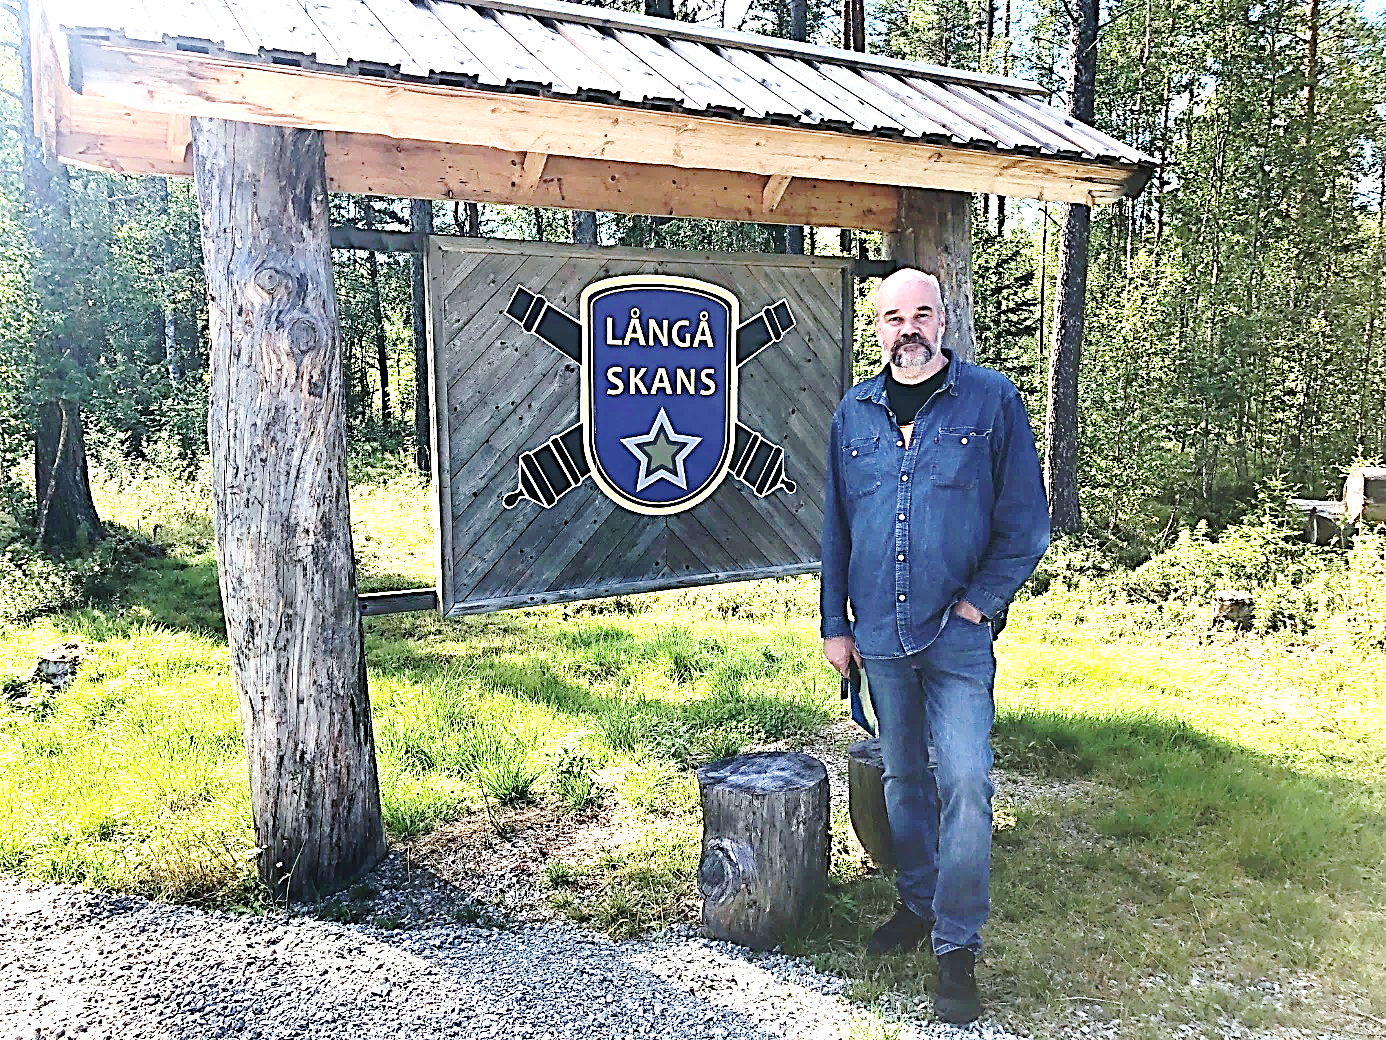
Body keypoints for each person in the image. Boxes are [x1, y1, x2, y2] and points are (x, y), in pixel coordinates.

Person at [820, 267, 1050, 1024]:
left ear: (944, 322)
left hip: (956, 639)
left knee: (966, 782)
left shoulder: (992, 402)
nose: (907, 329)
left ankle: (957, 948)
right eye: (892, 317)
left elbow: (1025, 525)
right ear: (876, 327)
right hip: (879, 635)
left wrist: (979, 608)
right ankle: (917, 904)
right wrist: (835, 623)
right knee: (901, 782)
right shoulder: (853, 413)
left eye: (921, 314)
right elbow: (838, 530)